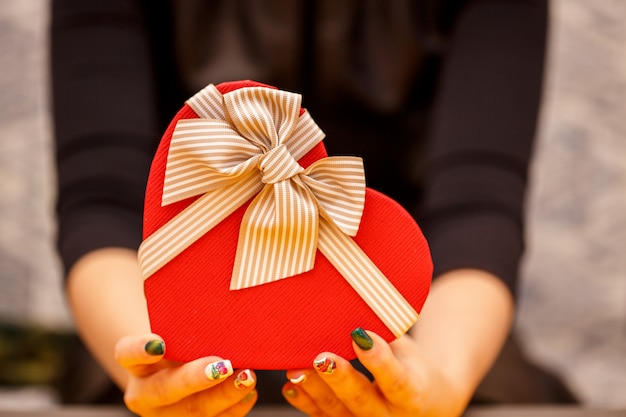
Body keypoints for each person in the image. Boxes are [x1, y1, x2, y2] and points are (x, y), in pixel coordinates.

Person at [50, 0, 575, 416]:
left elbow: (479, 207)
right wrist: (158, 366)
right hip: (172, 309)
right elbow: (100, 202)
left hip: (414, 319)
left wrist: (443, 377)